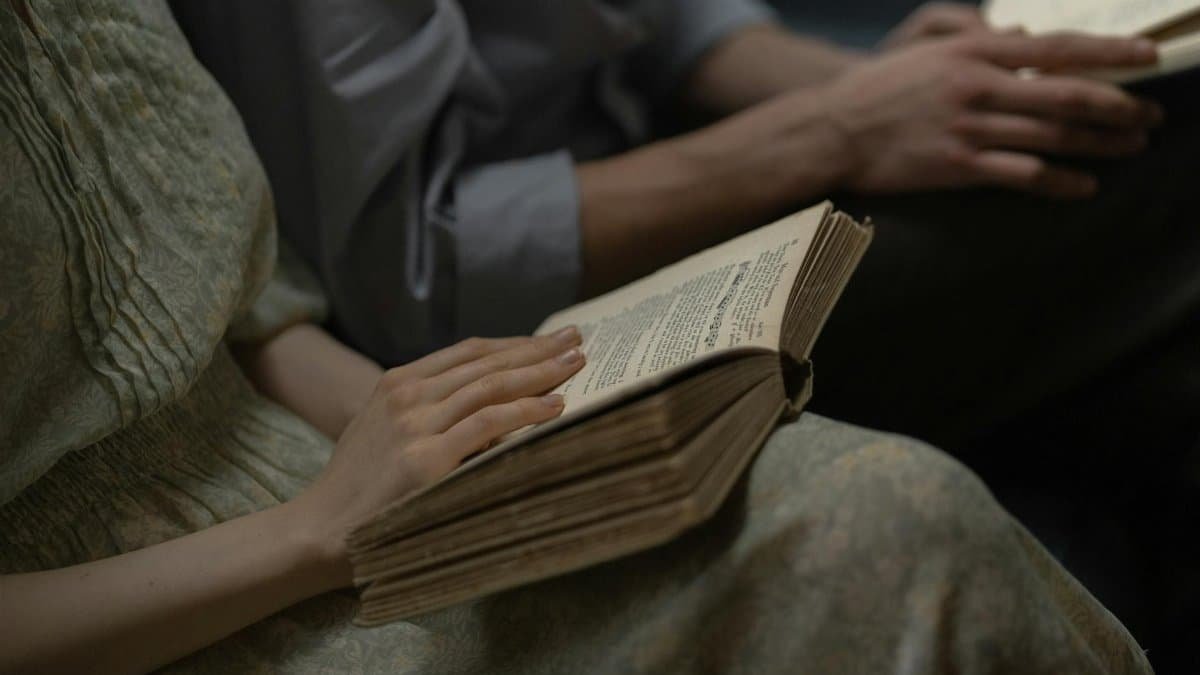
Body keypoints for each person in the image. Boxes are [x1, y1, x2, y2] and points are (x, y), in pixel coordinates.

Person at [0, 3, 1157, 673]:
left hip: (328, 437)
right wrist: (315, 529)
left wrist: (441, 436)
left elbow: (240, 294)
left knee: (896, 497)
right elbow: (411, 267)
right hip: (187, 593)